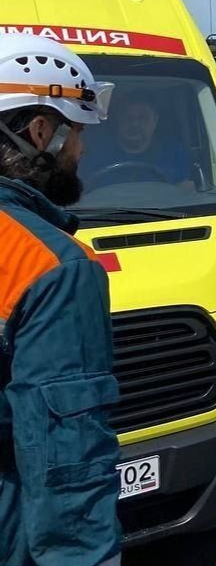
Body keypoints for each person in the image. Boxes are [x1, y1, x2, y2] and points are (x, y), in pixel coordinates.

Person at [0, 33, 120, 566]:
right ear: (40, 131)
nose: (81, 150)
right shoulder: (52, 265)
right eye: (76, 133)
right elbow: (67, 471)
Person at [80, 93, 189, 187]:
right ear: (118, 120)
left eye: (143, 118)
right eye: (128, 117)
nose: (135, 124)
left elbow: (185, 190)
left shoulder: (173, 152)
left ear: (155, 121)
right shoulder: (93, 152)